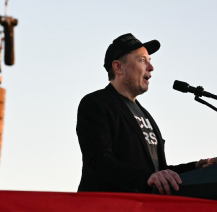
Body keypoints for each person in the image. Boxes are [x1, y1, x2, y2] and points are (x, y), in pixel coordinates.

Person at [76, 33, 217, 195]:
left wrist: (198, 167)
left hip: (144, 209)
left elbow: (159, 172)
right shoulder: (96, 103)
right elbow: (98, 162)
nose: (151, 67)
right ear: (118, 67)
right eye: (142, 60)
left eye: (150, 61)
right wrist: (144, 179)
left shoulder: (145, 115)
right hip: (106, 209)